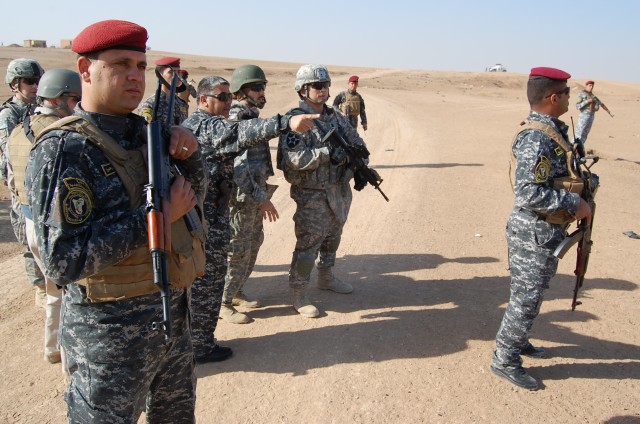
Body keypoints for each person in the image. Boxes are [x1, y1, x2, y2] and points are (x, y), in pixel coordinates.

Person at [24, 19, 206, 422]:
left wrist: (190, 153)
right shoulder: (65, 150)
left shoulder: (148, 134)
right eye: (120, 64)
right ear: (86, 70)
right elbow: (63, 261)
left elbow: (194, 201)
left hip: (172, 320)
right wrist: (153, 218)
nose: (133, 76)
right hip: (109, 342)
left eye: (140, 66)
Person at [182, 76, 318, 359]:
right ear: (203, 99)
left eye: (229, 97)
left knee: (210, 273)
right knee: (209, 279)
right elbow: (243, 133)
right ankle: (200, 346)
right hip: (205, 216)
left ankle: (198, 340)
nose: (227, 102)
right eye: (221, 97)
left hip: (206, 212)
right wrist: (285, 123)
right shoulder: (206, 125)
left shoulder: (194, 124)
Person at [490, 67, 592, 391]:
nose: (568, 98)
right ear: (553, 97)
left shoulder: (553, 132)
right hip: (532, 232)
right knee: (525, 299)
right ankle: (504, 359)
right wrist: (575, 204)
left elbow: (554, 179)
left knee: (531, 297)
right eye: (565, 93)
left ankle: (518, 342)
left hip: (545, 232)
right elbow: (529, 192)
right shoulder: (536, 137)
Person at [278, 64, 370, 318]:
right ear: (302, 90)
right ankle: (298, 293)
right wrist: (326, 154)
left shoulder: (336, 117)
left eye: (325, 85)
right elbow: (291, 162)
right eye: (317, 86)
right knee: (308, 244)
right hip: (312, 194)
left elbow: (356, 143)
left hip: (338, 190)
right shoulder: (297, 120)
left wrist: (356, 160)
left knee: (333, 237)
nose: (323, 90)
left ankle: (327, 276)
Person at [6, 68, 81, 364]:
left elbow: (12, 181)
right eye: (75, 99)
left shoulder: (20, 129)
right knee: (71, 294)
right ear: (60, 99)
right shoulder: (63, 132)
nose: (78, 105)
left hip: (30, 222)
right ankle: (68, 361)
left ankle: (51, 347)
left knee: (54, 290)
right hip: (54, 226)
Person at [220, 65, 279, 324]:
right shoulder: (238, 119)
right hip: (242, 196)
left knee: (253, 242)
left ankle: (236, 291)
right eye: (256, 87)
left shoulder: (250, 114)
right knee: (238, 248)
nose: (262, 91)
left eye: (263, 86)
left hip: (253, 194)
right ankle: (222, 301)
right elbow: (238, 167)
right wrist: (261, 196)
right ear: (241, 91)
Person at [0, 58, 47, 307]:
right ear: (15, 84)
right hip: (21, 189)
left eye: (38, 80)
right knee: (29, 242)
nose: (35, 86)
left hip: (41, 185)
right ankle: (39, 286)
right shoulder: (10, 115)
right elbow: (10, 155)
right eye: (30, 81)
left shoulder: (41, 109)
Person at [138, 56, 189, 125]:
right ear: (160, 75)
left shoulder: (182, 104)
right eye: (171, 72)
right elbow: (145, 132)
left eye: (178, 72)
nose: (176, 76)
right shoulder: (150, 105)